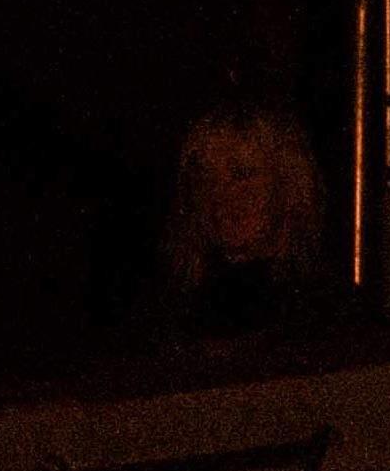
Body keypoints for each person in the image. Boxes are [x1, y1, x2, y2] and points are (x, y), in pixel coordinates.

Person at [143, 100, 336, 350]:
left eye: (241, 175)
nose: (220, 194)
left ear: (290, 185)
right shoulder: (163, 318)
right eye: (205, 178)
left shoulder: (328, 319)